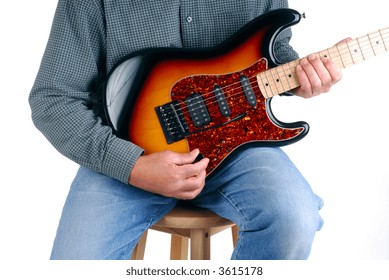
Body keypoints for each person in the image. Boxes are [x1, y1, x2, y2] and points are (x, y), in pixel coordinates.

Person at [29, 0, 342, 260]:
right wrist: (132, 166)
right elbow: (53, 98)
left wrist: (303, 77)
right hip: (126, 147)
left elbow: (271, 52)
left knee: (294, 219)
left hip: (236, 144)